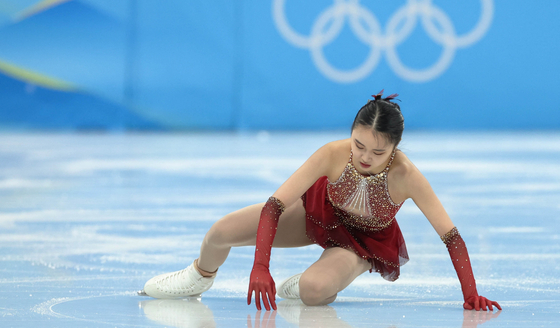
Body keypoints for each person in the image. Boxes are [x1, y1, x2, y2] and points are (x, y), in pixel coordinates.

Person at [140, 90, 502, 312]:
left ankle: (316, 277)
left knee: (314, 292)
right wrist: (261, 265)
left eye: (377, 152)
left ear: (394, 147)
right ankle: (198, 277)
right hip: (315, 217)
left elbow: (450, 236)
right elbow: (275, 205)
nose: (363, 157)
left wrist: (470, 295)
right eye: (358, 145)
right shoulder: (332, 153)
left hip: (362, 243)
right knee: (221, 232)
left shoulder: (407, 177)